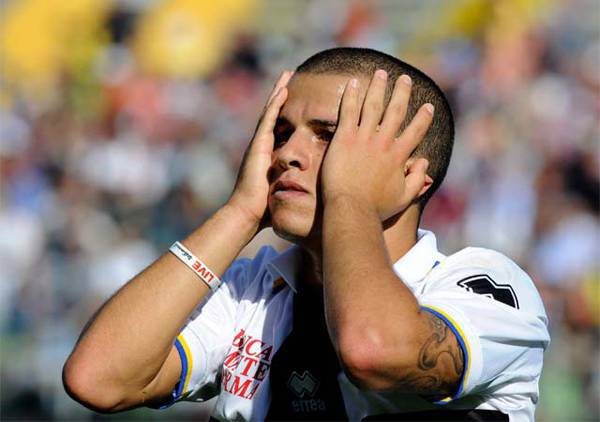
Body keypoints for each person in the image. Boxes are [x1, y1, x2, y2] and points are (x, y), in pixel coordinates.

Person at [63, 48, 550, 421]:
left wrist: (350, 195)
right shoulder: (250, 291)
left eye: (329, 135)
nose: (285, 154)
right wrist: (239, 213)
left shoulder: (483, 285)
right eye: (281, 132)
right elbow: (96, 379)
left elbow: (372, 349)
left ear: (411, 175)